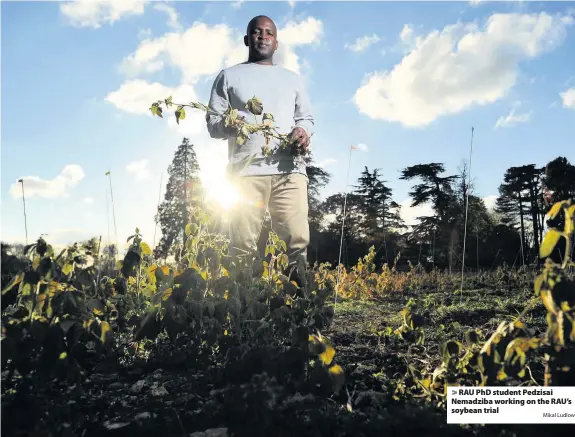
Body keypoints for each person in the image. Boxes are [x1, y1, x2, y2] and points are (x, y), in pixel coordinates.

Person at [205, 15, 314, 280]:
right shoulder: (228, 76)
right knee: (241, 246)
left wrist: (303, 131)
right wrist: (230, 125)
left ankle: (300, 309)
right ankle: (240, 311)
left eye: (269, 33)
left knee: (296, 243)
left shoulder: (293, 79)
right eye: (256, 32)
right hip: (245, 174)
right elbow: (213, 123)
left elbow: (306, 119)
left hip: (289, 171)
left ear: (276, 43)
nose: (263, 36)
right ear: (247, 39)